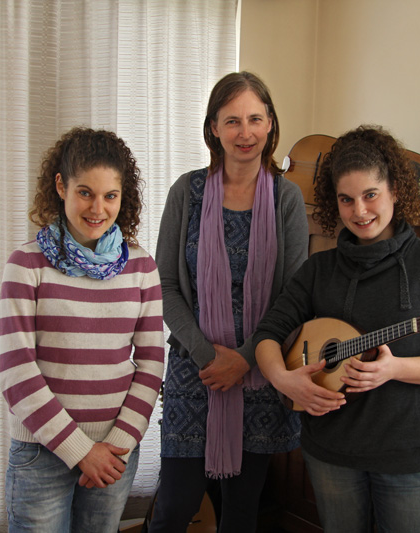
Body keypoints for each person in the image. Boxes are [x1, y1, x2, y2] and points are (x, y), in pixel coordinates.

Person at [254, 125, 420, 533]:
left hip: (408, 455)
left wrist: (395, 370)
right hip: (330, 453)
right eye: (346, 199)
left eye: (370, 195)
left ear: (395, 190)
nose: (359, 211)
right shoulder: (319, 268)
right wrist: (284, 380)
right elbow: (268, 334)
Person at [148, 72, 309, 533]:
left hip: (261, 375)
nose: (246, 132)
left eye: (255, 119)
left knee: (241, 515)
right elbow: (165, 285)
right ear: (213, 128)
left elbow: (293, 297)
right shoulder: (187, 192)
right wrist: (208, 355)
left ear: (271, 124)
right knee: (174, 509)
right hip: (194, 371)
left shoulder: (286, 198)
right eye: (233, 121)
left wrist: (243, 359)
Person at [0, 127, 164, 532]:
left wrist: (118, 444)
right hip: (42, 455)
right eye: (85, 192)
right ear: (61, 186)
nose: (98, 208)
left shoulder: (141, 267)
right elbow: (17, 373)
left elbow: (152, 362)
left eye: (111, 195)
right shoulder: (26, 264)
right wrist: (80, 451)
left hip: (115, 453)